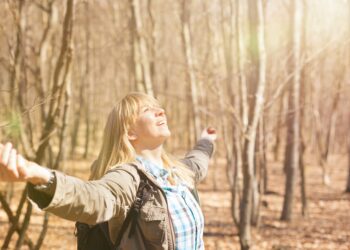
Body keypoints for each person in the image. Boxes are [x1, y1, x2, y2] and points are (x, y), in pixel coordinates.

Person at [0, 92, 216, 250]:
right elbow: (95, 198)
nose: (161, 111)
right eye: (147, 110)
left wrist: (206, 140)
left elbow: (197, 162)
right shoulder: (128, 177)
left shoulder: (177, 173)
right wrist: (37, 174)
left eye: (157, 107)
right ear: (130, 132)